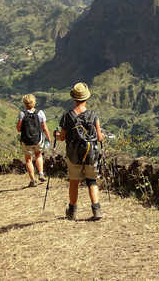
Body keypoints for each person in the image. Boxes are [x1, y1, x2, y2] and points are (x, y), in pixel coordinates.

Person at [56, 82, 105, 221]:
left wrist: (56, 136)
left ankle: (72, 212)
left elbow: (62, 137)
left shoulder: (67, 116)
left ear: (74, 98)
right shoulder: (93, 115)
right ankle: (96, 210)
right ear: (86, 98)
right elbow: (100, 137)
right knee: (91, 181)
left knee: (74, 182)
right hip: (91, 154)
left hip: (73, 155)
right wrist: (102, 136)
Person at [17, 94, 52, 187]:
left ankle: (33, 180)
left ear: (24, 104)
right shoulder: (40, 113)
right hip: (38, 140)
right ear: (34, 102)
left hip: (26, 140)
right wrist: (48, 137)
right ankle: (41, 173)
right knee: (38, 155)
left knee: (28, 159)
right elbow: (44, 127)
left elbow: (18, 129)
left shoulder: (22, 114)